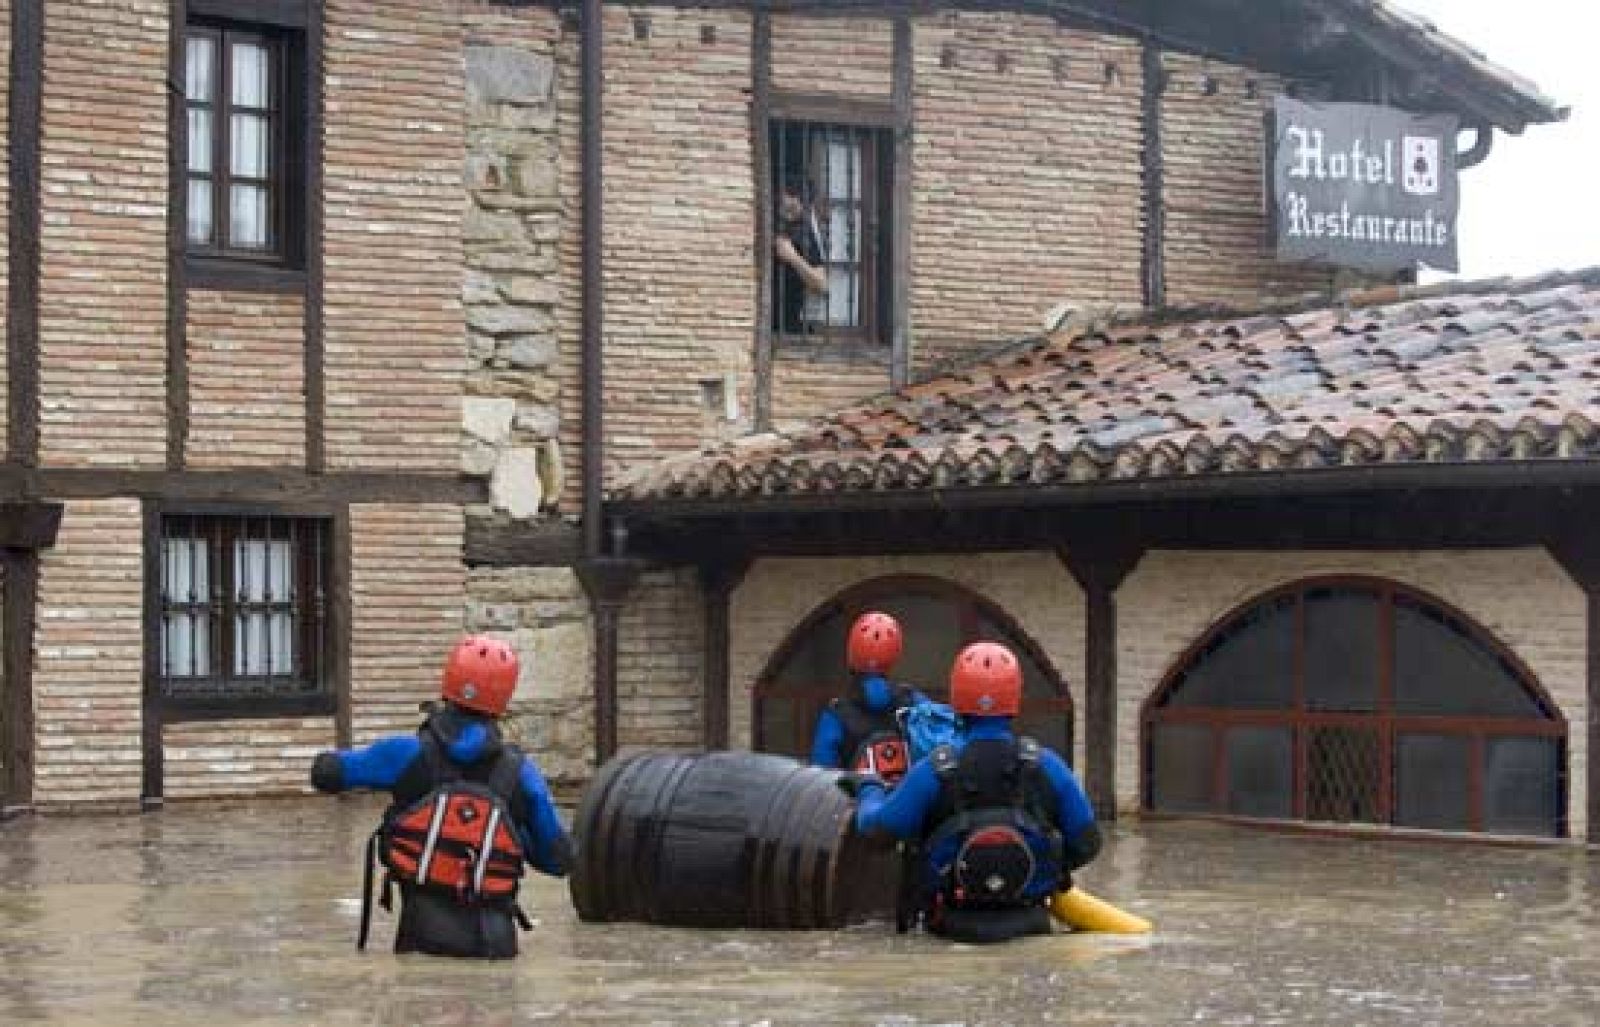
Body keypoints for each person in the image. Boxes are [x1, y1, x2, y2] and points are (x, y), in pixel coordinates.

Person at [310, 635, 572, 958]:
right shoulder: (522, 775)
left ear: (448, 681)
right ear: (504, 698)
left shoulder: (405, 755)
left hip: (422, 937)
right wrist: (513, 837)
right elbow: (559, 860)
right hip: (497, 946)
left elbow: (325, 774)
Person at [847, 641, 1102, 944]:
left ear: (956, 698)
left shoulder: (932, 772)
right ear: (1015, 698)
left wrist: (869, 787)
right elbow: (1088, 843)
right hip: (1031, 926)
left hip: (949, 931)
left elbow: (876, 832)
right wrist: (1044, 871)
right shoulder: (1047, 766)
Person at [810, 611, 931, 786]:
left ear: (851, 653)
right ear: (894, 655)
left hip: (854, 807)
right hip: (909, 807)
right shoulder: (914, 701)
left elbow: (820, 779)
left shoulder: (836, 714)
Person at [773, 173, 828, 334]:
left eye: (789, 207)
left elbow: (821, 284)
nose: (783, 211)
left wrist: (793, 257)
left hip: (794, 325)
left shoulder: (809, 233)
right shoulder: (783, 225)